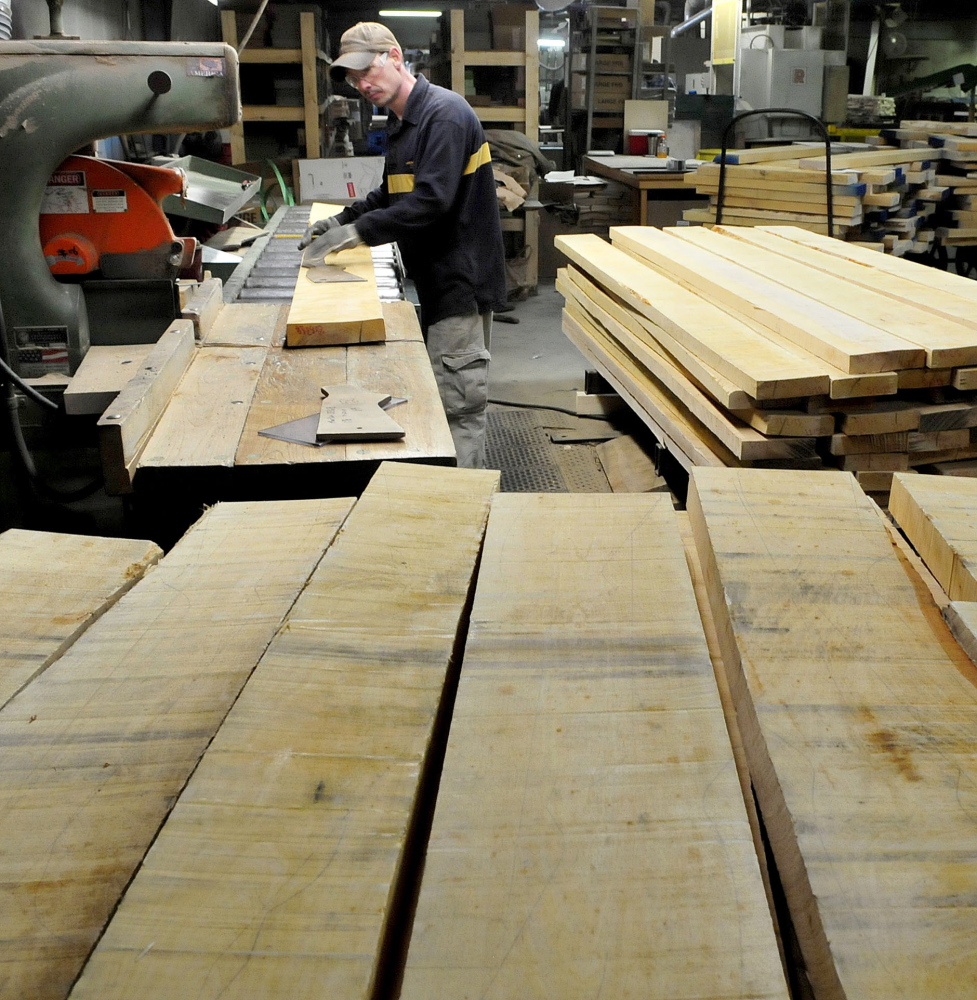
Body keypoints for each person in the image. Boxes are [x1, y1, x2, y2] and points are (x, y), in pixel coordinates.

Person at [299, 22, 507, 469]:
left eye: (367, 71)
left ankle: (467, 513)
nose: (363, 85)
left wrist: (356, 234)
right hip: (434, 277)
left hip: (460, 282)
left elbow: (430, 202)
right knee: (439, 395)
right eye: (354, 80)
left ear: (395, 57)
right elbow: (394, 194)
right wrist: (341, 218)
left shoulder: (444, 115)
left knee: (458, 409)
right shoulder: (403, 121)